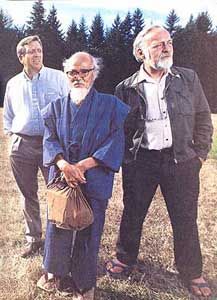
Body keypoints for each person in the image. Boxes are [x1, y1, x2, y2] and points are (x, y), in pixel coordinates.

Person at [105, 25, 213, 298]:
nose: (166, 47)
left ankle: (192, 272)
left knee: (185, 217)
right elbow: (119, 130)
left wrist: (199, 155)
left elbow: (203, 118)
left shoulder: (187, 79)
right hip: (141, 162)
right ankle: (124, 258)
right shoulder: (125, 88)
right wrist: (126, 160)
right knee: (133, 213)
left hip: (181, 161)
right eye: (157, 44)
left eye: (168, 42)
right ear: (141, 53)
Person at [36, 51, 129, 300]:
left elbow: (115, 140)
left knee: (90, 229)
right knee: (58, 223)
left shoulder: (111, 106)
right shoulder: (55, 108)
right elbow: (50, 139)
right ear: (66, 76)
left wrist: (83, 166)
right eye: (72, 73)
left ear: (94, 73)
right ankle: (54, 274)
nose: (78, 77)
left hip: (94, 176)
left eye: (84, 71)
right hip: (62, 177)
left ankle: (84, 284)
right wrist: (64, 165)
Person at [3, 35, 69, 258]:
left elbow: (69, 107)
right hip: (21, 146)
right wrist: (12, 137)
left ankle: (57, 239)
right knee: (27, 194)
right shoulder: (13, 83)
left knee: (57, 193)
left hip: (51, 145)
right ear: (21, 56)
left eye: (39, 50)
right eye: (32, 51)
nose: (37, 54)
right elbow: (8, 115)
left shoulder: (58, 78)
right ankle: (33, 239)